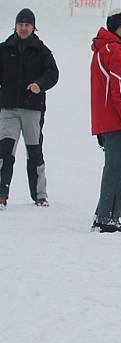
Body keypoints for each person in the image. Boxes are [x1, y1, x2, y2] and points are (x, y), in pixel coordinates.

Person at [0, 8, 59, 209]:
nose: (23, 28)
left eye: (27, 25)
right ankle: (1, 194)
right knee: (4, 151)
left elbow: (53, 74)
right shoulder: (4, 48)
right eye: (20, 24)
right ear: (15, 26)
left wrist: (39, 85)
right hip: (8, 110)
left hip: (32, 110)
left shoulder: (42, 51)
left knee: (34, 152)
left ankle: (39, 195)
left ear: (34, 27)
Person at [90, 9, 121, 233]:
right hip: (117, 121)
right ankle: (107, 217)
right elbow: (120, 89)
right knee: (120, 170)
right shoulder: (114, 51)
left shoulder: (104, 49)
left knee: (115, 169)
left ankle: (105, 215)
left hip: (108, 121)